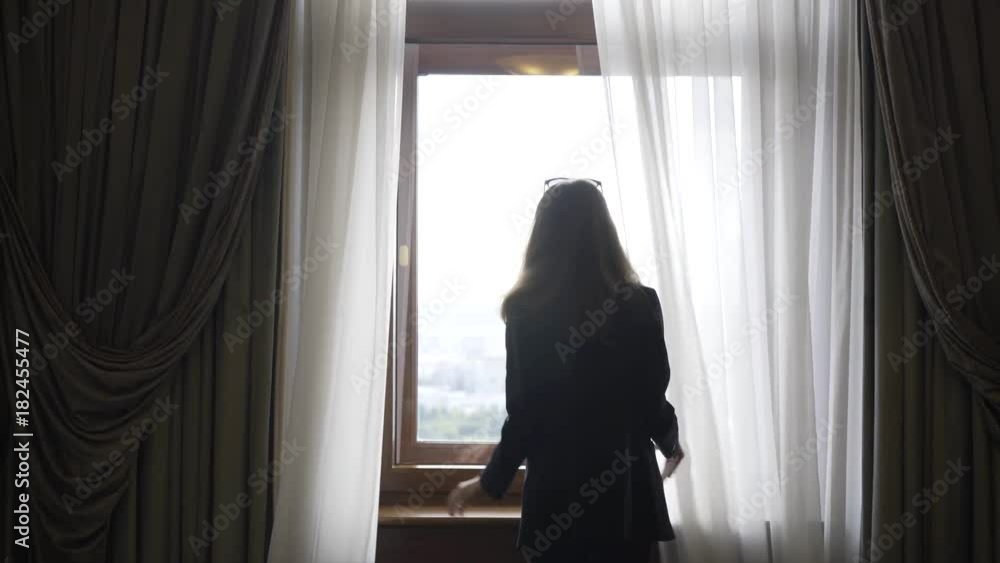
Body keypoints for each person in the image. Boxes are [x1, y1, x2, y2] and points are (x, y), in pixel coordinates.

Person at [446, 178, 684, 563]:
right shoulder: (640, 303)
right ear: (605, 232)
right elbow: (650, 395)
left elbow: (525, 413)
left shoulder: (527, 310)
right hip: (626, 499)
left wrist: (487, 482)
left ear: (543, 236)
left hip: (557, 502)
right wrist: (669, 443)